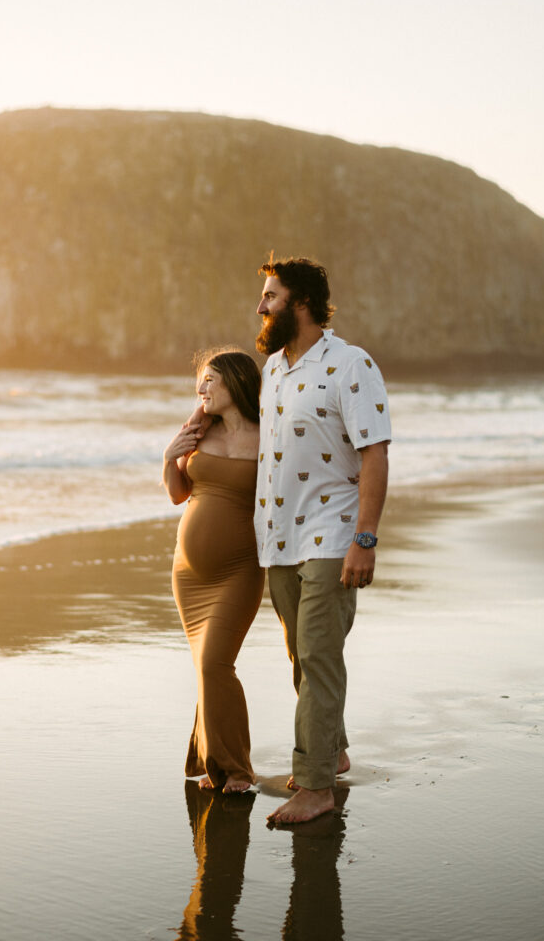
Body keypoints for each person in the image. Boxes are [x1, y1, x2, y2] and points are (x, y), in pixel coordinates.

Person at [254, 256, 391, 824]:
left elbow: (374, 453)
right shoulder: (273, 371)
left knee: (317, 653)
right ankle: (330, 751)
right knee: (301, 654)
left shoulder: (351, 364)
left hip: (333, 533)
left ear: (302, 303)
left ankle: (314, 786)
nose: (260, 306)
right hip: (278, 537)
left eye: (271, 296)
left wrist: (365, 538)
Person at [163, 349, 265, 794]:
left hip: (239, 568)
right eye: (199, 382)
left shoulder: (270, 437)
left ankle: (237, 770)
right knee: (207, 668)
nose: (201, 389)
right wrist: (170, 457)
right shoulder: (200, 431)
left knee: (213, 664)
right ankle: (212, 763)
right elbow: (178, 494)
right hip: (188, 573)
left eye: (210, 381)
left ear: (235, 385)